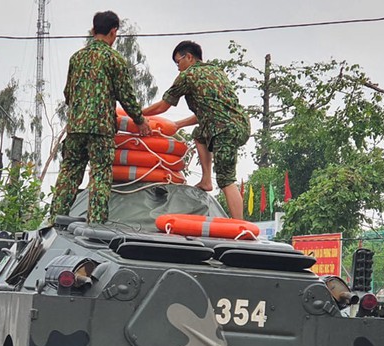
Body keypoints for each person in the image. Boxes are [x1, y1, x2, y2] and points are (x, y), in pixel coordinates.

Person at [49, 10, 151, 225]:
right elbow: (126, 95)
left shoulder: (76, 58)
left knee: (69, 172)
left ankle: (55, 220)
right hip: (101, 130)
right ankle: (95, 225)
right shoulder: (114, 59)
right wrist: (140, 120)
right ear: (114, 32)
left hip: (75, 128)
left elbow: (68, 93)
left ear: (94, 30)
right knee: (100, 174)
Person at [143, 40, 250, 219]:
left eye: (178, 62)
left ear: (189, 57)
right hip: (239, 124)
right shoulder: (216, 71)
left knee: (226, 180)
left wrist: (136, 115)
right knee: (198, 134)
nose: (178, 68)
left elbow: (163, 106)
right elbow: (208, 112)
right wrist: (178, 125)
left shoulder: (188, 76)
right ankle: (206, 180)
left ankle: (239, 227)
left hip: (224, 131)